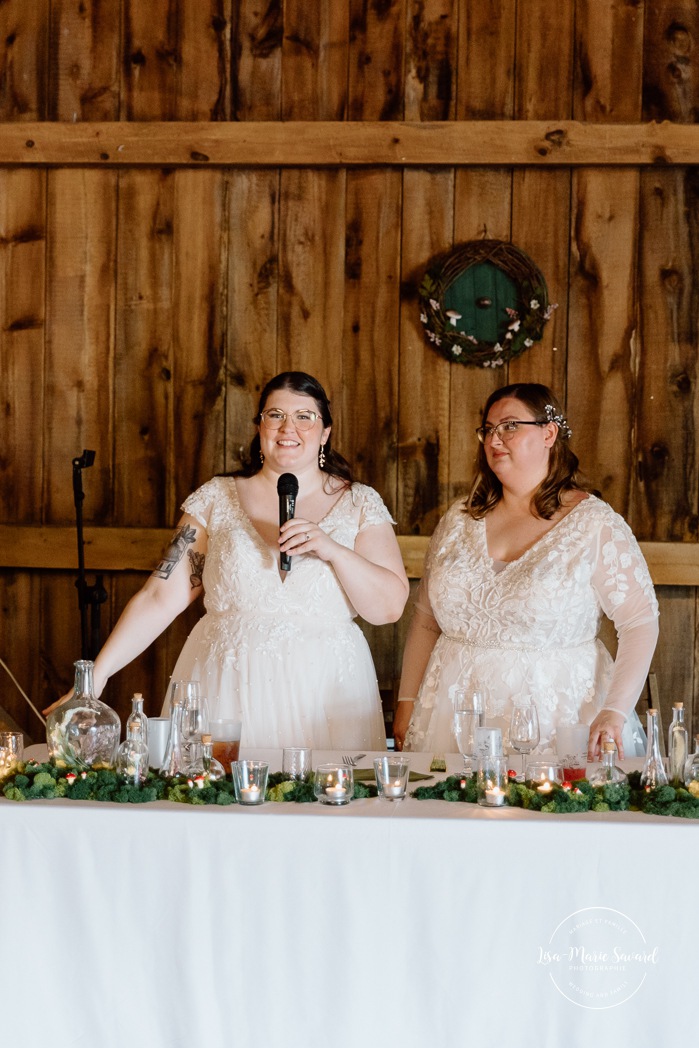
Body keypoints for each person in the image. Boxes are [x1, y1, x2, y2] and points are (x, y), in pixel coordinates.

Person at [47, 372, 409, 749]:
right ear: (259, 426)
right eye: (275, 415)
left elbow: (389, 608)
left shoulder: (360, 503)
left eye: (305, 416)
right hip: (227, 685)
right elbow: (159, 597)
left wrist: (332, 549)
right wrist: (97, 678)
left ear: (325, 433)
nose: (289, 427)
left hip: (328, 690)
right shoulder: (216, 498)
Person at [393, 382, 659, 761]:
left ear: (549, 433)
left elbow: (639, 622)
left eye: (510, 426)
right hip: (451, 715)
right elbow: (425, 619)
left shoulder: (594, 524)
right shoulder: (458, 519)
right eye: (488, 429)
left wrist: (614, 710)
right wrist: (407, 700)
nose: (495, 439)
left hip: (556, 717)